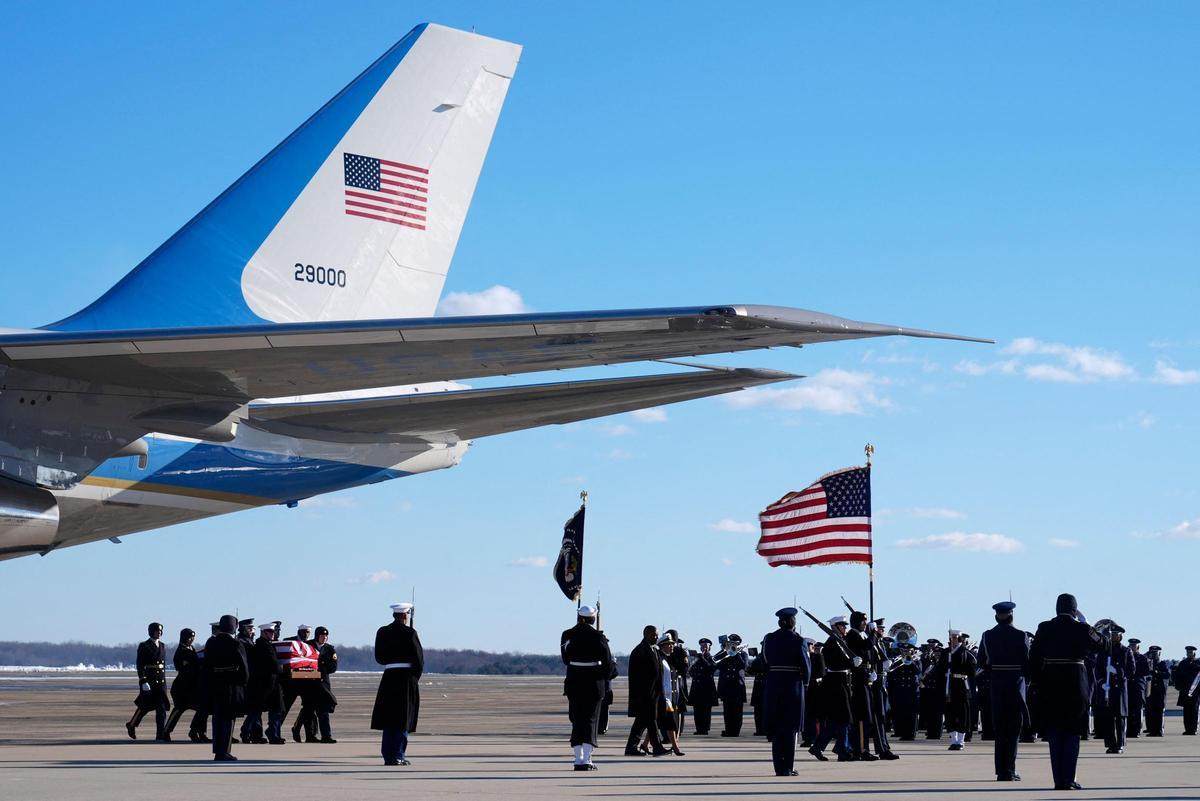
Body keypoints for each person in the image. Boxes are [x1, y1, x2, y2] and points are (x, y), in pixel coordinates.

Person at [1028, 593, 1105, 791]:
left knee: (1054, 735)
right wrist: (1087, 624)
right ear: (1074, 610)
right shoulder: (1082, 628)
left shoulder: (1044, 627)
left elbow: (1034, 658)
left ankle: (1058, 780)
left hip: (1050, 686)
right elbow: (1103, 645)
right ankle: (1069, 778)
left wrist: (1036, 683)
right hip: (1075, 686)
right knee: (1072, 733)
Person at [978, 601, 1030, 782]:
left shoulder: (987, 636)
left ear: (996, 616)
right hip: (1015, 684)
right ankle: (1010, 769)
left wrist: (993, 673)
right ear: (1011, 616)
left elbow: (981, 663)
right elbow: (1027, 663)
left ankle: (1001, 770)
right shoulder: (1021, 635)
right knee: (1013, 729)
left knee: (1000, 729)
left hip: (997, 685)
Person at [560, 605, 615, 770]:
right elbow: (607, 663)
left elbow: (565, 659)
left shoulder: (567, 635)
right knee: (591, 720)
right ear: (592, 618)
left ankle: (578, 759)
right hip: (593, 683)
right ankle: (587, 759)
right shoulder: (598, 637)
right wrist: (608, 674)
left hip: (574, 681)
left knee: (577, 720)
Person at [372, 602, 424, 765]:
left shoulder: (382, 632)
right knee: (403, 717)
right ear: (405, 616)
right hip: (406, 678)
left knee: (389, 718)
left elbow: (379, 658)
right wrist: (414, 678)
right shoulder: (410, 633)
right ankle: (398, 754)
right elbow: (418, 660)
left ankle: (388, 755)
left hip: (389, 677)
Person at [762, 607, 809, 777]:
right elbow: (806, 667)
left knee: (776, 729)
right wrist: (805, 683)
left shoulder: (769, 638)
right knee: (790, 729)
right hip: (793, 687)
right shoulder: (799, 640)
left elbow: (765, 661)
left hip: (773, 686)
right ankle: (788, 767)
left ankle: (778, 767)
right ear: (791, 622)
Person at [204, 614, 249, 762]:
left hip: (215, 684)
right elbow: (243, 667)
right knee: (228, 719)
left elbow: (206, 666)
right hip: (231, 685)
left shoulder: (211, 643)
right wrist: (243, 682)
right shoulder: (235, 643)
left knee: (217, 719)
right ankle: (224, 750)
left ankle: (218, 749)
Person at [809, 616, 853, 762]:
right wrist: (851, 663)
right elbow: (834, 663)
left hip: (842, 682)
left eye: (845, 625)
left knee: (836, 721)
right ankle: (843, 750)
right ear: (834, 627)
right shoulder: (831, 643)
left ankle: (819, 747)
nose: (845, 628)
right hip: (835, 684)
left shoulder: (840, 642)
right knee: (844, 718)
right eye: (842, 625)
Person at [624, 624, 668, 756]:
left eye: (657, 635)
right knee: (651, 720)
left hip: (654, 694)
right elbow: (638, 677)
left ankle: (631, 747)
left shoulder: (654, 650)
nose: (656, 637)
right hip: (644, 695)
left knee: (641, 722)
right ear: (646, 635)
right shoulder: (640, 651)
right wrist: (643, 695)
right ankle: (657, 747)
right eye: (654, 635)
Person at [1092, 624, 1134, 754]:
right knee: (1108, 718)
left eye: (1116, 635)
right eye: (1112, 635)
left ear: (1120, 637)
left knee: (1120, 718)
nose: (1114, 637)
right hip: (1107, 688)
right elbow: (1098, 669)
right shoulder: (1104, 651)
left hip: (1119, 689)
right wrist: (1101, 682)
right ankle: (1110, 744)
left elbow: (1131, 670)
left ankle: (1120, 744)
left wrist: (1117, 671)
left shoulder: (1126, 651)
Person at [126, 622, 170, 741]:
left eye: (160, 631)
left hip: (160, 682)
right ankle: (131, 724)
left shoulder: (162, 646)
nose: (159, 633)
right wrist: (143, 680)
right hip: (149, 682)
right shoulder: (144, 646)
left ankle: (160, 735)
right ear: (151, 632)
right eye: (157, 631)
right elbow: (140, 665)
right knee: (144, 707)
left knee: (161, 709)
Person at [844, 611, 877, 760]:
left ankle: (862, 748)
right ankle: (861, 749)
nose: (865, 624)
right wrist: (873, 632)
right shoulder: (853, 635)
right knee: (862, 717)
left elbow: (869, 654)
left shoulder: (861, 635)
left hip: (865, 678)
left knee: (867, 716)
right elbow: (867, 646)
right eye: (863, 621)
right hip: (858, 681)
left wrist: (872, 670)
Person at [647, 635, 685, 756]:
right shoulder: (659, 658)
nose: (672, 646)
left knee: (658, 723)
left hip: (669, 696)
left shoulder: (668, 659)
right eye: (669, 644)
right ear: (662, 646)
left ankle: (645, 744)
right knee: (670, 723)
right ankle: (676, 748)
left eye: (672, 644)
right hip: (663, 696)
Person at [249, 621, 285, 744]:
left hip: (272, 683)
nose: (273, 633)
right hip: (265, 683)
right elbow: (273, 665)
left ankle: (274, 734)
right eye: (270, 631)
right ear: (263, 632)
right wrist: (283, 669)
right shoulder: (262, 646)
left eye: (274, 631)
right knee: (259, 710)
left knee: (276, 709)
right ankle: (252, 732)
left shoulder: (267, 645)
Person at [164, 628, 204, 741]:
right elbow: (190, 662)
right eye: (189, 638)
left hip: (191, 687)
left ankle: (196, 731)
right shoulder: (181, 651)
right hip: (181, 687)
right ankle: (166, 731)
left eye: (193, 638)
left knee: (201, 709)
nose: (191, 640)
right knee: (178, 709)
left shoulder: (191, 649)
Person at [942, 631, 977, 751]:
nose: (953, 640)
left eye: (955, 638)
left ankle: (961, 741)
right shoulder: (946, 652)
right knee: (950, 712)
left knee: (963, 713)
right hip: (949, 685)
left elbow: (973, 668)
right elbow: (940, 668)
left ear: (960, 639)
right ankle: (953, 740)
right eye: (951, 638)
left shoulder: (966, 653)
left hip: (961, 685)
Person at [869, 618, 898, 759]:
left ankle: (884, 746)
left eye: (882, 629)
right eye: (879, 629)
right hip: (875, 682)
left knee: (882, 716)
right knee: (878, 717)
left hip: (882, 681)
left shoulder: (880, 643)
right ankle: (881, 748)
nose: (882, 631)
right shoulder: (872, 643)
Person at [283, 623, 313, 742]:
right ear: (299, 632)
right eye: (304, 631)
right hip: (292, 681)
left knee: (309, 708)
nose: (306, 634)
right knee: (285, 707)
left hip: (307, 680)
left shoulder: (311, 644)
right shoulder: (289, 642)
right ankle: (275, 731)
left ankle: (308, 733)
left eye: (308, 632)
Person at [309, 626, 339, 743]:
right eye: (322, 636)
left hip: (323, 684)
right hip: (309, 683)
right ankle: (310, 735)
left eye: (326, 636)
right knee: (309, 710)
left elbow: (333, 667)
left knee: (323, 711)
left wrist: (320, 666)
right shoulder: (308, 646)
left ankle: (326, 736)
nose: (324, 638)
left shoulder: (330, 649)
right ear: (317, 636)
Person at [716, 634, 750, 737]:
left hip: (737, 687)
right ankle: (728, 730)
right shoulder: (726, 654)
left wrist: (736, 653)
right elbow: (716, 663)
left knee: (737, 711)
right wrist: (724, 651)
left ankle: (735, 731)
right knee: (727, 711)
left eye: (733, 643)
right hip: (727, 687)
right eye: (730, 643)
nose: (731, 645)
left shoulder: (743, 654)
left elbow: (744, 666)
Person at [235, 618, 262, 744]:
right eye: (249, 628)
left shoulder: (249, 641)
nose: (251, 630)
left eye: (252, 628)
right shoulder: (241, 642)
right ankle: (247, 731)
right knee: (254, 708)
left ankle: (255, 733)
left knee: (256, 708)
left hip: (253, 678)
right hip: (247, 679)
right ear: (242, 629)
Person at [888, 644, 921, 741]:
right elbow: (891, 672)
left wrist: (911, 661)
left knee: (911, 714)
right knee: (901, 713)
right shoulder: (897, 661)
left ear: (912, 651)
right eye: (903, 650)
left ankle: (910, 734)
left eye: (908, 650)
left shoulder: (916, 661)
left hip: (911, 692)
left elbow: (918, 672)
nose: (906, 652)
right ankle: (902, 732)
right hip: (900, 691)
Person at [688, 638, 718, 735]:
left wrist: (702, 658)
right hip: (697, 688)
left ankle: (705, 729)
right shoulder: (697, 659)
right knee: (697, 710)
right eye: (702, 646)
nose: (703, 647)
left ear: (709, 647)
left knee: (706, 710)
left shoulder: (712, 658)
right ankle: (699, 728)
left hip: (706, 689)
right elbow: (691, 671)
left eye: (705, 646)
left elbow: (711, 669)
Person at [802, 640, 824, 747]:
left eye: (810, 646)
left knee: (814, 716)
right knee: (806, 715)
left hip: (815, 689)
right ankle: (807, 738)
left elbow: (822, 673)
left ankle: (814, 738)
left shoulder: (818, 657)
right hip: (805, 689)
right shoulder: (804, 657)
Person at [1174, 645, 1200, 735]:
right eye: (1188, 652)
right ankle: (1188, 729)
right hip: (1185, 691)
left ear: (1194, 653)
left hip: (1195, 691)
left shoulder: (1198, 663)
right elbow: (1178, 676)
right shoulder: (1183, 663)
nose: (1189, 654)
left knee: (1194, 711)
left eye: (1191, 652)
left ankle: (1193, 729)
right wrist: (1178, 686)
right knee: (1186, 711)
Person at [1126, 639, 1149, 738]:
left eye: (1134, 646)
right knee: (1128, 709)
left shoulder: (1143, 658)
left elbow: (1146, 672)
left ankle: (1137, 730)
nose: (1132, 647)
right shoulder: (1126, 657)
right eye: (1131, 645)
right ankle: (1129, 731)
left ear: (1138, 647)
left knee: (1138, 710)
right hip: (1128, 686)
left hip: (1138, 687)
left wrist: (1134, 672)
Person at [1145, 646, 1170, 736]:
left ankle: (1159, 731)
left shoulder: (1162, 664)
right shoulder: (1148, 664)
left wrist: (1157, 673)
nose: (1154, 655)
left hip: (1159, 692)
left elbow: (1167, 675)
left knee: (1159, 711)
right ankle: (1152, 731)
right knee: (1151, 711)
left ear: (1159, 653)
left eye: (1156, 653)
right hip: (1150, 691)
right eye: (1152, 653)